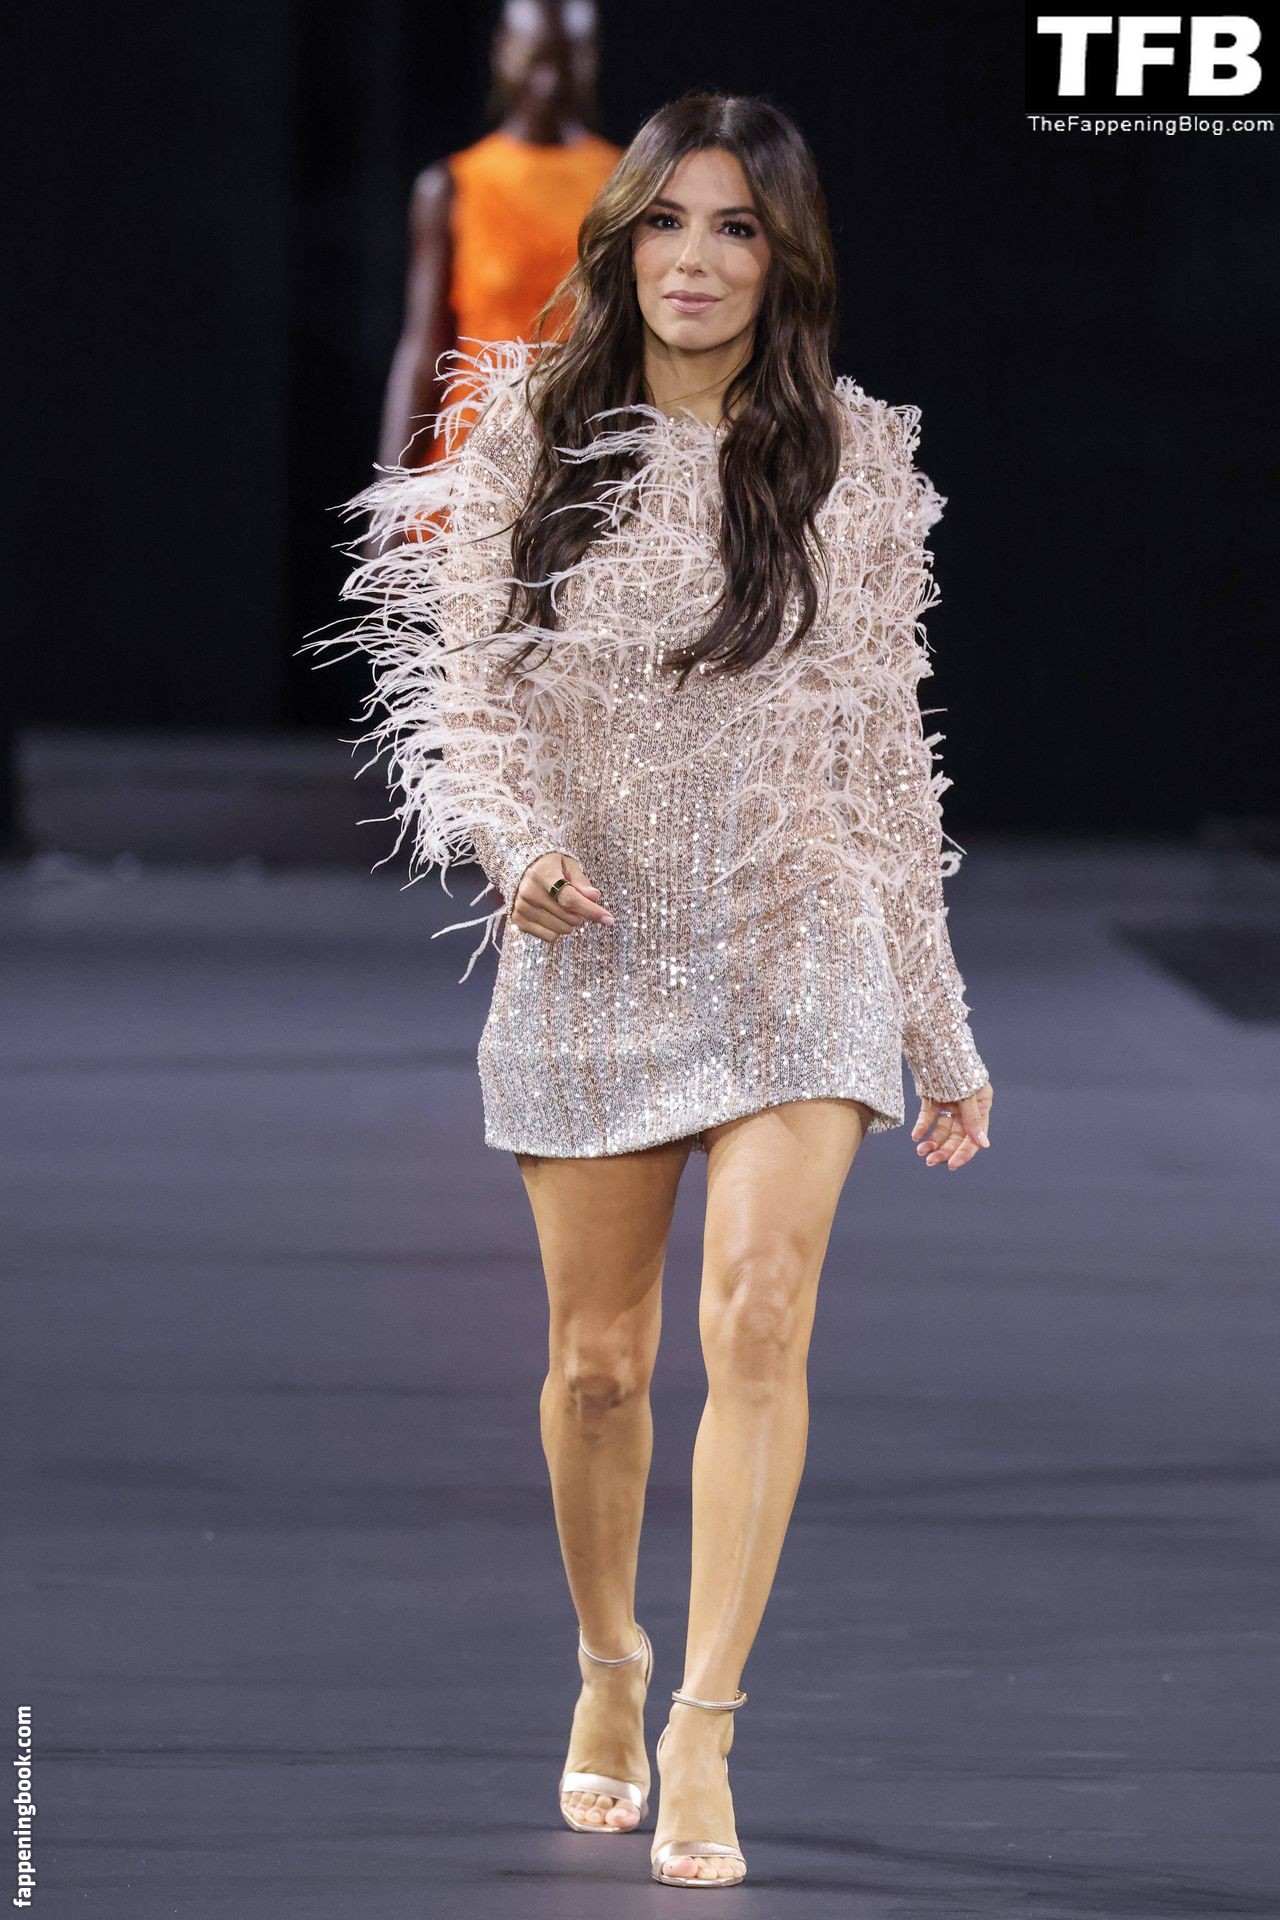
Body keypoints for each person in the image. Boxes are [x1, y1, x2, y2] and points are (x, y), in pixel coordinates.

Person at [324, 88, 995, 1892]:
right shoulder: (527, 434)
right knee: (602, 1370)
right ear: (619, 242)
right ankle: (609, 1662)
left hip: (799, 934)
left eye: (737, 228)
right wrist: (514, 845)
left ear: (787, 258)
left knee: (758, 1324)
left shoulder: (855, 458)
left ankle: (706, 1722)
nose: (696, 260)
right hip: (595, 938)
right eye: (668, 223)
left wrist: (935, 1022)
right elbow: (462, 688)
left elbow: (887, 755)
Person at [377, 0, 622, 472]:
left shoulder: (627, 184)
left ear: (591, 57)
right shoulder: (452, 187)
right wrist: (386, 489)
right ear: (503, 51)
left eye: (567, 60)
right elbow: (423, 349)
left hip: (586, 460)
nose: (550, 82)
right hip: (472, 466)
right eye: (536, 59)